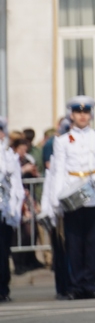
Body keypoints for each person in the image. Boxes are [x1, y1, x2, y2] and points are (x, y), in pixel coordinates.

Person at [42, 97, 95, 300]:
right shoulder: (62, 141)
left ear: (90, 114)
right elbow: (59, 171)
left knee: (91, 242)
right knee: (73, 243)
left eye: (86, 112)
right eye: (78, 112)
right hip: (71, 194)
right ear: (72, 115)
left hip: (94, 194)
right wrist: (56, 200)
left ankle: (89, 284)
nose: (82, 115)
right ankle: (75, 284)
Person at [1, 115, 22, 301]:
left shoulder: (9, 156)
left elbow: (17, 185)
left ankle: (3, 288)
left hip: (4, 209)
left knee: (3, 251)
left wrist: (15, 210)